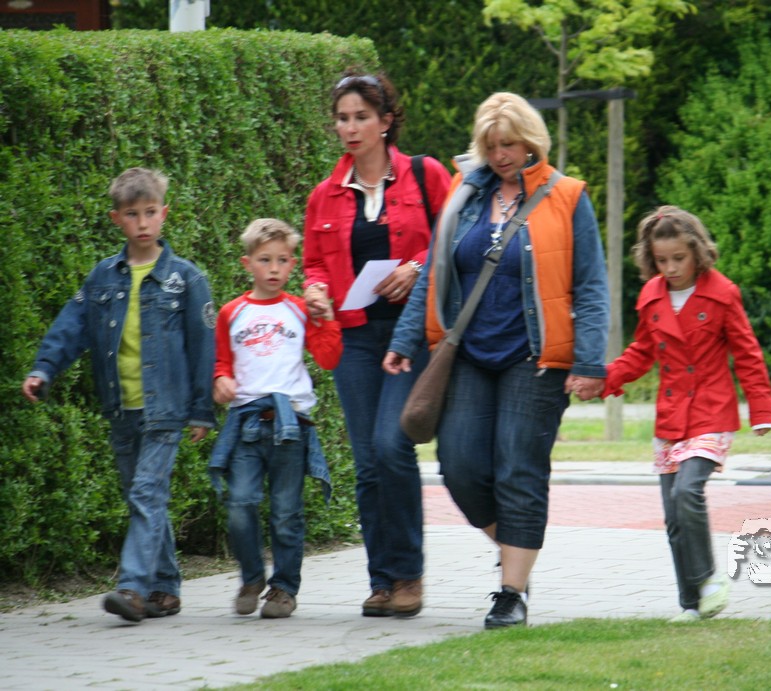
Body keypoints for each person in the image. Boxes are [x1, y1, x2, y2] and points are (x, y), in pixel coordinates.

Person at [383, 92, 610, 629]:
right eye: (491, 145)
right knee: (459, 467)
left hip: (535, 359)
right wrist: (405, 338)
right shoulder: (464, 193)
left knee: (518, 469)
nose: (500, 154)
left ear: (530, 142)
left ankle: (511, 592)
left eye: (508, 144)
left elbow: (592, 287)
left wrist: (590, 362)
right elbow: (436, 272)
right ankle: (515, 550)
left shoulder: (567, 197)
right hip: (467, 354)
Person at [21, 167, 216, 622]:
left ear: (164, 213)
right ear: (116, 219)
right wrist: (43, 369)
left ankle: (132, 588)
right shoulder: (102, 278)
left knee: (146, 492)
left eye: (150, 212)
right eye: (132, 214)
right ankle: (165, 589)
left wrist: (201, 409)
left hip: (166, 409)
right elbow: (71, 327)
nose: (143, 223)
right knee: (141, 496)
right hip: (121, 408)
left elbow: (203, 346)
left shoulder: (185, 279)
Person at [301, 69, 452, 618]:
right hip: (354, 338)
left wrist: (417, 268)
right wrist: (315, 290)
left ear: (386, 121)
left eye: (361, 117)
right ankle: (382, 581)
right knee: (366, 462)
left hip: (410, 333)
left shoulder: (425, 175)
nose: (350, 127)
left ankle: (409, 574)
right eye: (342, 118)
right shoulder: (324, 196)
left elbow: (456, 239)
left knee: (391, 446)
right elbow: (314, 263)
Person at [603, 205, 771, 623]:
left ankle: (709, 579)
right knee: (673, 518)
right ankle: (690, 605)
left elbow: (747, 352)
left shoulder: (723, 292)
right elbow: (641, 352)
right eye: (661, 260)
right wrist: (603, 380)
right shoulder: (651, 296)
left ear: (697, 251)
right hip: (670, 419)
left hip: (711, 412)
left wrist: (761, 408)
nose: (671, 268)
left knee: (686, 493)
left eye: (679, 258)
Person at [209, 218, 342, 619]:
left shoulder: (299, 310)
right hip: (246, 425)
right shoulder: (231, 312)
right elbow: (221, 362)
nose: (273, 268)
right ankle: (252, 577)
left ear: (292, 264)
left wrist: (326, 316)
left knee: (286, 513)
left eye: (282, 260)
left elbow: (328, 357)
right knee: (239, 503)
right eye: (264, 259)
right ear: (247, 263)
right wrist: (221, 379)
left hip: (291, 426)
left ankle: (284, 589)